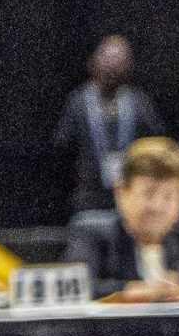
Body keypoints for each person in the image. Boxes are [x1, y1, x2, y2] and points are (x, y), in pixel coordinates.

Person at [63, 137, 179, 301]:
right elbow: (77, 289)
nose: (157, 206)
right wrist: (131, 292)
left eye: (169, 196)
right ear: (121, 193)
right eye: (148, 193)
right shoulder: (93, 235)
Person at [58, 35, 166, 216]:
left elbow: (157, 142)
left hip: (133, 196)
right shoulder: (78, 102)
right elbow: (63, 146)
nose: (113, 66)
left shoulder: (139, 102)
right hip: (89, 198)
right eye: (108, 58)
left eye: (120, 59)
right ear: (93, 62)